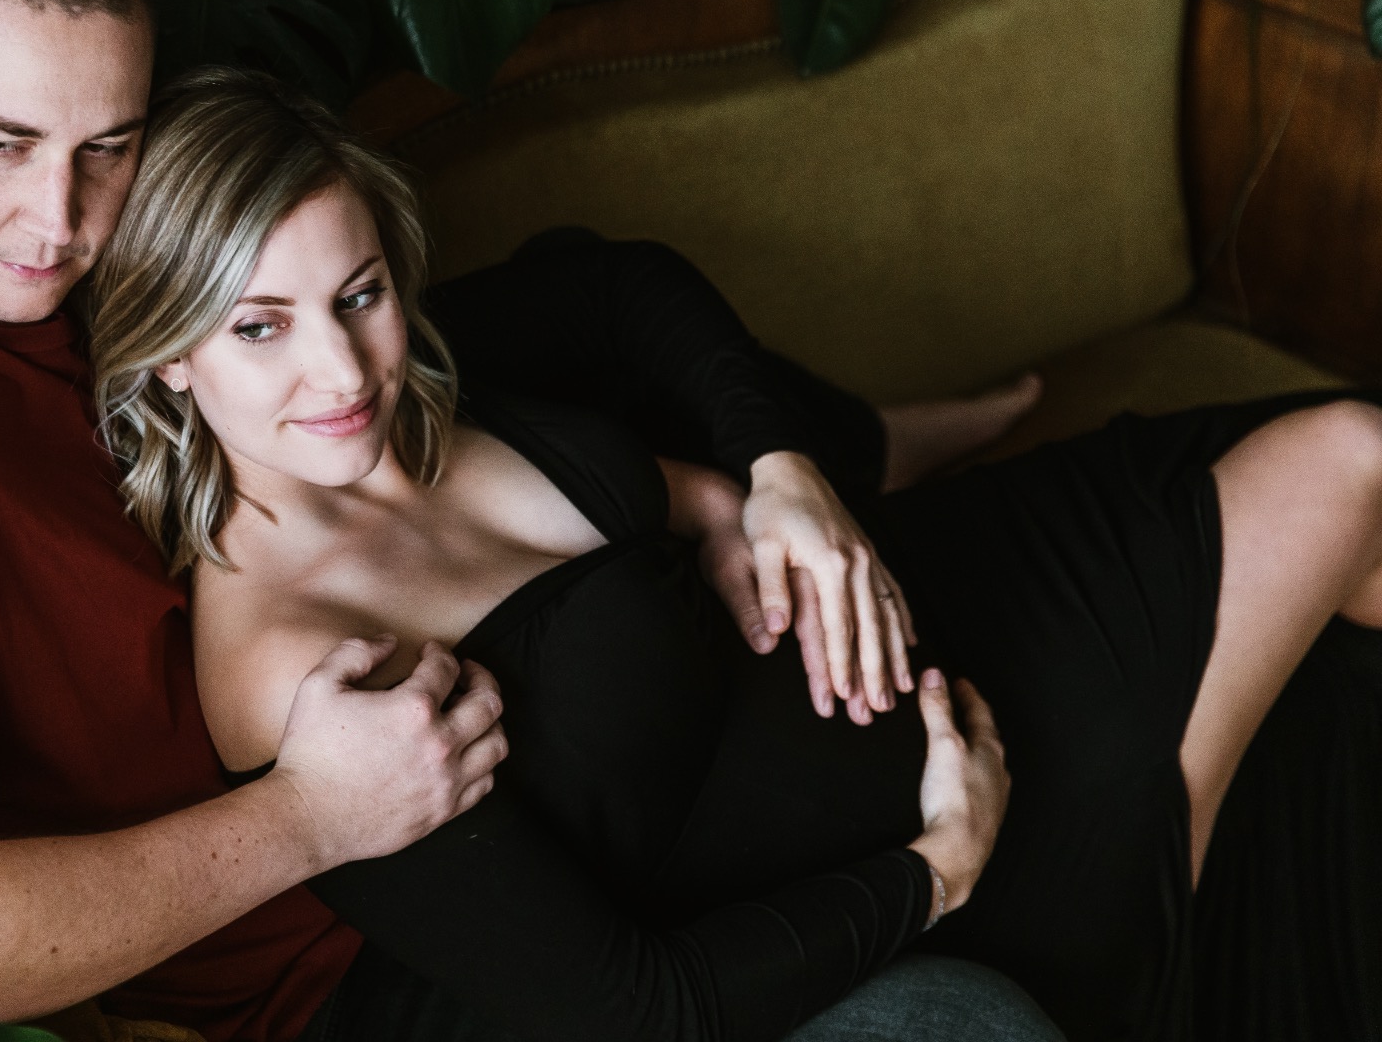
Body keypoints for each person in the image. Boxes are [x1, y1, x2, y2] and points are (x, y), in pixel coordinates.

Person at [0, 0, 1054, 1041]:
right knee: (969, 1010)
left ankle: (862, 448)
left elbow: (456, 339)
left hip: (498, 758)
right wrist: (308, 819)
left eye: (106, 149)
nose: (61, 222)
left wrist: (739, 472)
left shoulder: (2, 262)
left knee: (507, 354)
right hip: (355, 963)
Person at [86, 66, 1382, 1042]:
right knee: (1341, 564)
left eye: (360, 293)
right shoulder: (295, 674)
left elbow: (621, 287)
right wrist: (937, 871)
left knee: (1358, 461)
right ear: (169, 357)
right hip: (957, 833)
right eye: (259, 327)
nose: (341, 369)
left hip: (959, 597)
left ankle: (874, 449)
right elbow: (635, 1006)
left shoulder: (405, 379)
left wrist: (774, 472)